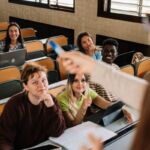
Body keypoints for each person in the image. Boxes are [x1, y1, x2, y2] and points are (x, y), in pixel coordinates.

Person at [0, 62, 66, 150]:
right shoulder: (14, 104)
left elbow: (57, 132)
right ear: (26, 86)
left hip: (45, 145)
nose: (42, 85)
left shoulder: (51, 100)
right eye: (35, 82)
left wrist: (51, 107)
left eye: (43, 80)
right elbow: (4, 139)